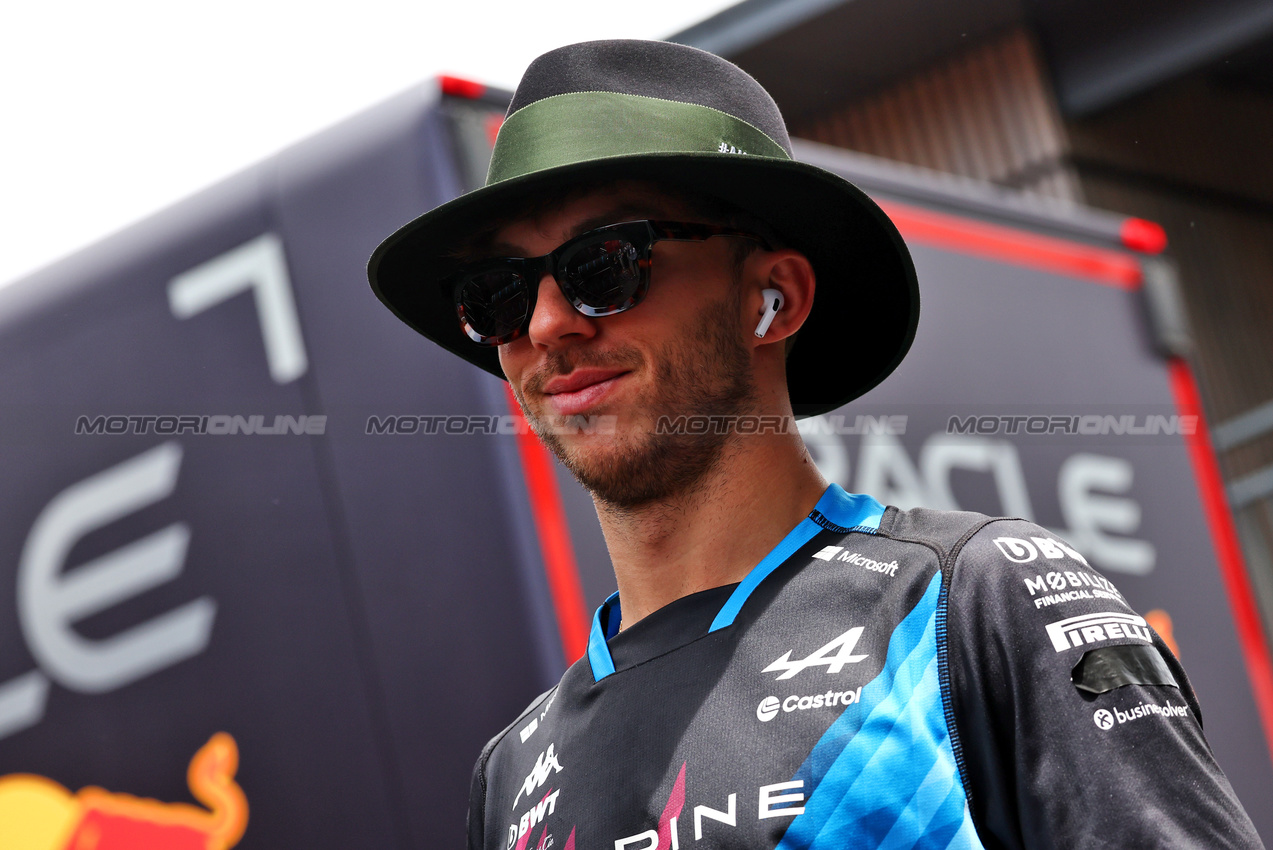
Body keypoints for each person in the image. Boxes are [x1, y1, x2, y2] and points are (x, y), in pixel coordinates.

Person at [368, 39, 1264, 850]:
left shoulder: (972, 601)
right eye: (496, 294)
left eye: (605, 265)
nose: (546, 323)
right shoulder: (513, 770)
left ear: (773, 299)